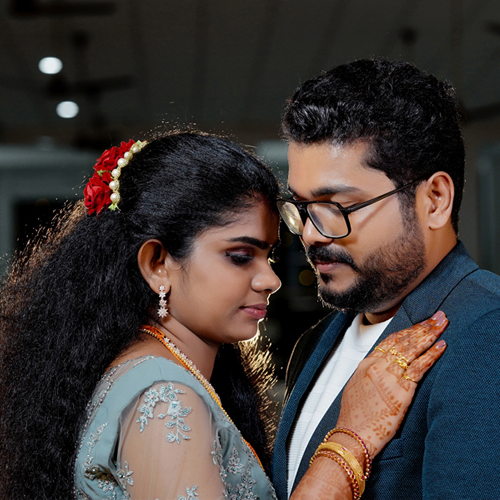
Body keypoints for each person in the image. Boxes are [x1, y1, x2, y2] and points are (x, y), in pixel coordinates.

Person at [0, 131, 446, 500]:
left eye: (268, 256)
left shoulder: (152, 370)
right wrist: (351, 441)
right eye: (239, 256)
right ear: (158, 264)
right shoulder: (164, 397)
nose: (269, 280)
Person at [272, 58, 500, 500]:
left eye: (337, 206)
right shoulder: (318, 339)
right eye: (303, 208)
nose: (313, 235)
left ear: (434, 200)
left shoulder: (485, 332)